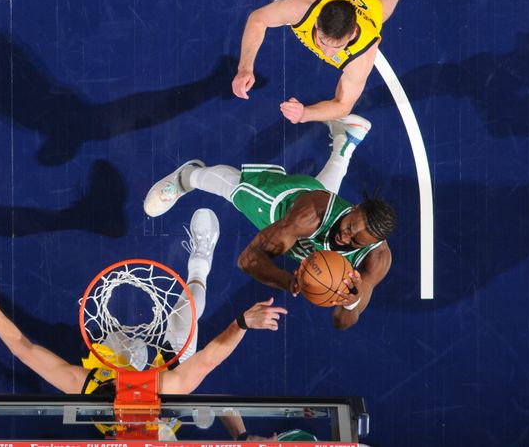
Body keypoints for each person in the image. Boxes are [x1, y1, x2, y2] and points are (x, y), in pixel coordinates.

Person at [0, 208, 287, 440]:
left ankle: (130, 351)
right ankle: (200, 263)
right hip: (170, 362)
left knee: (97, 352)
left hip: (116, 357)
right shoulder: (171, 392)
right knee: (191, 305)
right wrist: (243, 322)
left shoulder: (90, 390)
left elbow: (25, 350)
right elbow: (212, 364)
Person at [143, 117, 395, 330]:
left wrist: (351, 300)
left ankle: (345, 141)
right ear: (355, 208)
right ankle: (188, 177)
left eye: (354, 242)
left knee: (325, 194)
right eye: (349, 229)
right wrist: (287, 281)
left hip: (320, 207)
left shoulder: (376, 259)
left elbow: (344, 321)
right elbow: (248, 258)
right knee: (235, 187)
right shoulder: (310, 215)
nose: (345, 239)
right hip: (282, 205)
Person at [231, 0, 432, 124]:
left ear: (353, 33)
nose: (326, 52)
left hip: (363, 2)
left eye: (336, 48)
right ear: (317, 23)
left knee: (376, 16)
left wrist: (305, 113)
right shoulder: (301, 7)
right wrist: (244, 68)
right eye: (323, 42)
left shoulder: (362, 54)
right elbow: (257, 19)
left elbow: (344, 104)